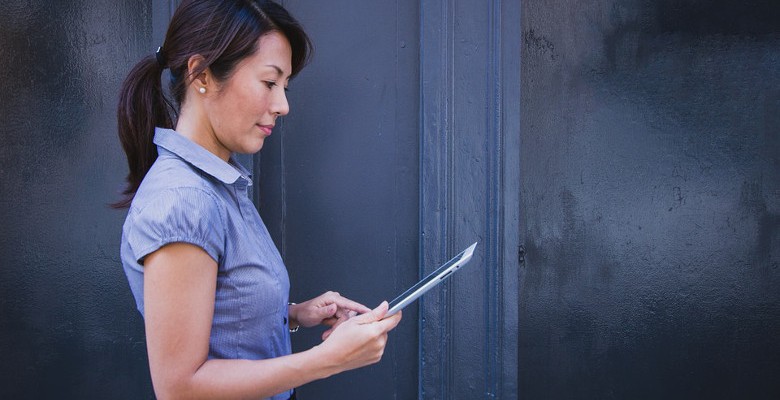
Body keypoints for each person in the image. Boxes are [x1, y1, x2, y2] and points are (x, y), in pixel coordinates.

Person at [113, 1, 402, 399]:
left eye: (284, 87)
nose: (283, 105)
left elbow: (217, 317)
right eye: (269, 83)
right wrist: (328, 359)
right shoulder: (184, 201)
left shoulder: (216, 183)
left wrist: (293, 315)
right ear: (201, 74)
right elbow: (179, 388)